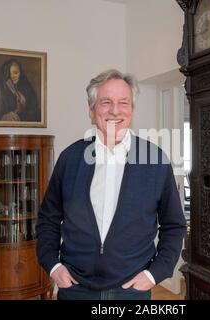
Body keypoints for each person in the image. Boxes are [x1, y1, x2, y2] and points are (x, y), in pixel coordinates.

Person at [36, 69, 186, 300]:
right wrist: (53, 266)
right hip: (75, 289)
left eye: (123, 102)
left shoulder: (155, 160)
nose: (115, 110)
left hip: (132, 291)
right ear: (91, 110)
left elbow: (174, 226)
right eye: (106, 102)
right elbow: (48, 218)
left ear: (132, 110)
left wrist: (155, 273)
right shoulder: (70, 159)